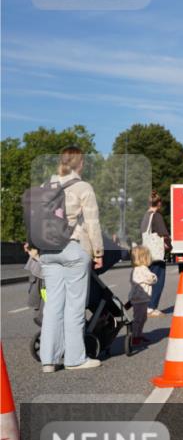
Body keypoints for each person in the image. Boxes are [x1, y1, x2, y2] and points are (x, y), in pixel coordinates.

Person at [38, 146, 105, 372]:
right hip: (72, 248)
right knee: (74, 306)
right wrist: (98, 252)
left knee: (53, 305)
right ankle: (75, 359)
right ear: (80, 163)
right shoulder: (82, 187)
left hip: (47, 251)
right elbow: (93, 223)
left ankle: (48, 359)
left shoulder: (45, 186)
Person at [140, 192, 171, 318]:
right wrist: (169, 245)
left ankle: (146, 306)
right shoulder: (156, 216)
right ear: (158, 203)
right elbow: (163, 233)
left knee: (148, 280)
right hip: (156, 254)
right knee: (158, 280)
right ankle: (152, 307)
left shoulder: (145, 216)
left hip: (146, 252)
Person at [128, 245, 158, 348]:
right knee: (139, 318)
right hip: (140, 298)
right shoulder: (143, 269)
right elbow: (151, 279)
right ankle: (135, 336)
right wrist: (155, 277)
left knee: (142, 317)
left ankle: (138, 334)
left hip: (139, 297)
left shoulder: (135, 269)